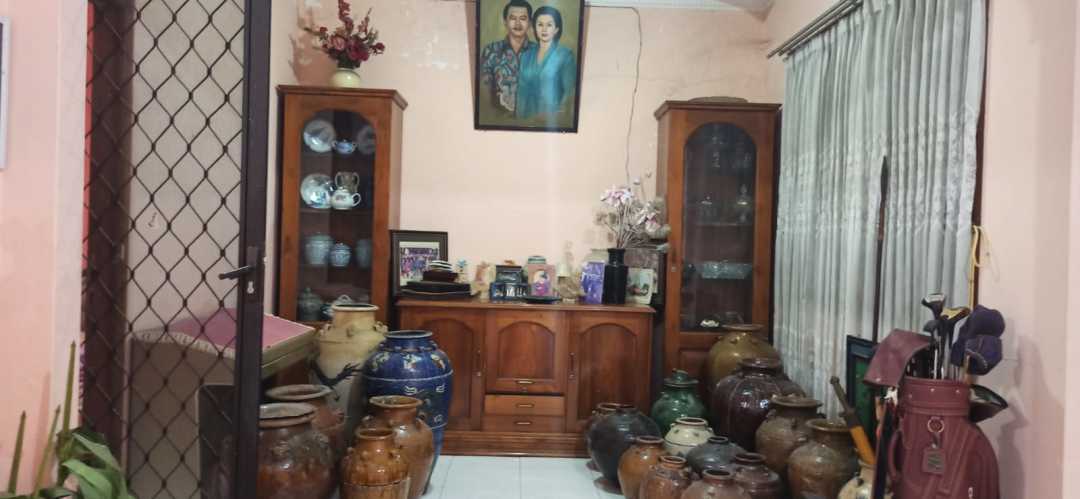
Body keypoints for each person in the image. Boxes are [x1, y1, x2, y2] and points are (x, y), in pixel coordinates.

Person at [515, 5, 577, 121]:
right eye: (540, 24)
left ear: (556, 29)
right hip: (526, 118)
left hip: (551, 121)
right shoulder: (526, 56)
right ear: (534, 28)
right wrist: (519, 121)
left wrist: (556, 117)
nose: (544, 29)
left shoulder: (565, 55)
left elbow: (569, 94)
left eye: (549, 25)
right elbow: (520, 94)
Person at [480, 0, 535, 115]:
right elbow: (483, 92)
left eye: (523, 18)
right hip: (498, 117)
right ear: (505, 22)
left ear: (530, 23)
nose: (518, 24)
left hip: (532, 118)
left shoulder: (539, 52)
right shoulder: (491, 51)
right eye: (513, 18)